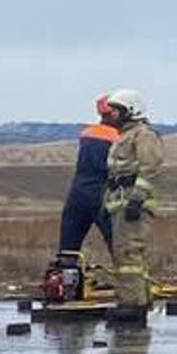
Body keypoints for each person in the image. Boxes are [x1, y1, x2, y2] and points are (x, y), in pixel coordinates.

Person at [101, 89, 164, 322]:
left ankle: (132, 304)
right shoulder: (124, 136)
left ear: (130, 111)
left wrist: (137, 198)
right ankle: (136, 299)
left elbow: (150, 168)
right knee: (123, 254)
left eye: (116, 110)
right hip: (120, 202)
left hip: (133, 203)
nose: (112, 115)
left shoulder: (143, 135)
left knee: (129, 254)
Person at [56, 94, 120, 260]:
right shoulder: (119, 137)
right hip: (102, 192)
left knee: (68, 247)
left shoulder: (87, 133)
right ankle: (127, 282)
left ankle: (66, 281)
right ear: (115, 112)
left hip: (77, 192)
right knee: (120, 245)